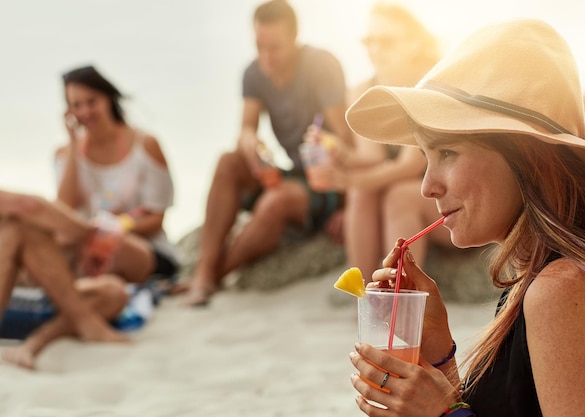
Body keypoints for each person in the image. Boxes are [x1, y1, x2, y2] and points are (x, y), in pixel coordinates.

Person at [344, 19, 585, 416]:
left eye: (448, 153)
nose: (427, 186)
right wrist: (442, 357)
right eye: (426, 158)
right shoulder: (538, 281)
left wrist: (442, 413)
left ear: (523, 156)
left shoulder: (564, 291)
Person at [182, 0, 353, 306]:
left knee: (277, 200)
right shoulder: (254, 73)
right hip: (293, 173)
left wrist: (350, 205)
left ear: (295, 38)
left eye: (275, 47)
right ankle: (204, 272)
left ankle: (211, 277)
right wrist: (250, 143)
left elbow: (348, 139)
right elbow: (246, 127)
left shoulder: (320, 64)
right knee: (227, 161)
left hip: (327, 181)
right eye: (259, 46)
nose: (266, 57)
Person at [319, 3, 453, 284]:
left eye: (387, 41)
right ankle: (364, 295)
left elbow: (409, 165)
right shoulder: (362, 90)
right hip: (410, 195)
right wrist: (338, 154)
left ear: (415, 42)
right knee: (361, 193)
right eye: (370, 41)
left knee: (397, 194)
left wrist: (346, 179)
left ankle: (396, 297)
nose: (376, 49)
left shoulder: (432, 83)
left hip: (442, 197)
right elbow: (373, 158)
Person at [55, 65, 179, 284]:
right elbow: (64, 208)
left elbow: (156, 218)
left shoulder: (145, 145)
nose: (85, 112)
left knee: (105, 249)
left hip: (140, 246)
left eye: (92, 102)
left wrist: (118, 228)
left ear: (108, 98)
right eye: (76, 105)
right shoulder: (64, 154)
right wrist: (74, 145)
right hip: (87, 247)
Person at [0, 190, 129, 369]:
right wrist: (93, 236)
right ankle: (86, 323)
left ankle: (33, 344)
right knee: (20, 225)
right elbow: (28, 206)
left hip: (18, 300)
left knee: (112, 292)